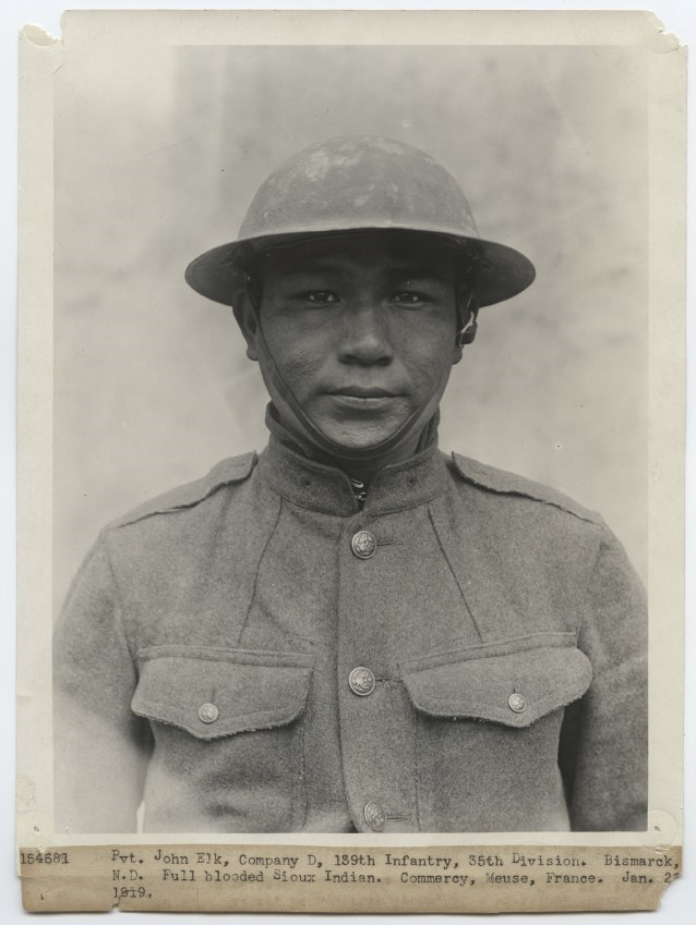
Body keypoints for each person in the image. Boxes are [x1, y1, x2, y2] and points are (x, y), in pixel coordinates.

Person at [53, 135, 647, 835]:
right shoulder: (139, 567)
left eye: (410, 296)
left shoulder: (571, 559)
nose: (366, 341)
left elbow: (644, 876)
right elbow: (65, 877)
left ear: (465, 324)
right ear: (251, 322)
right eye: (317, 295)